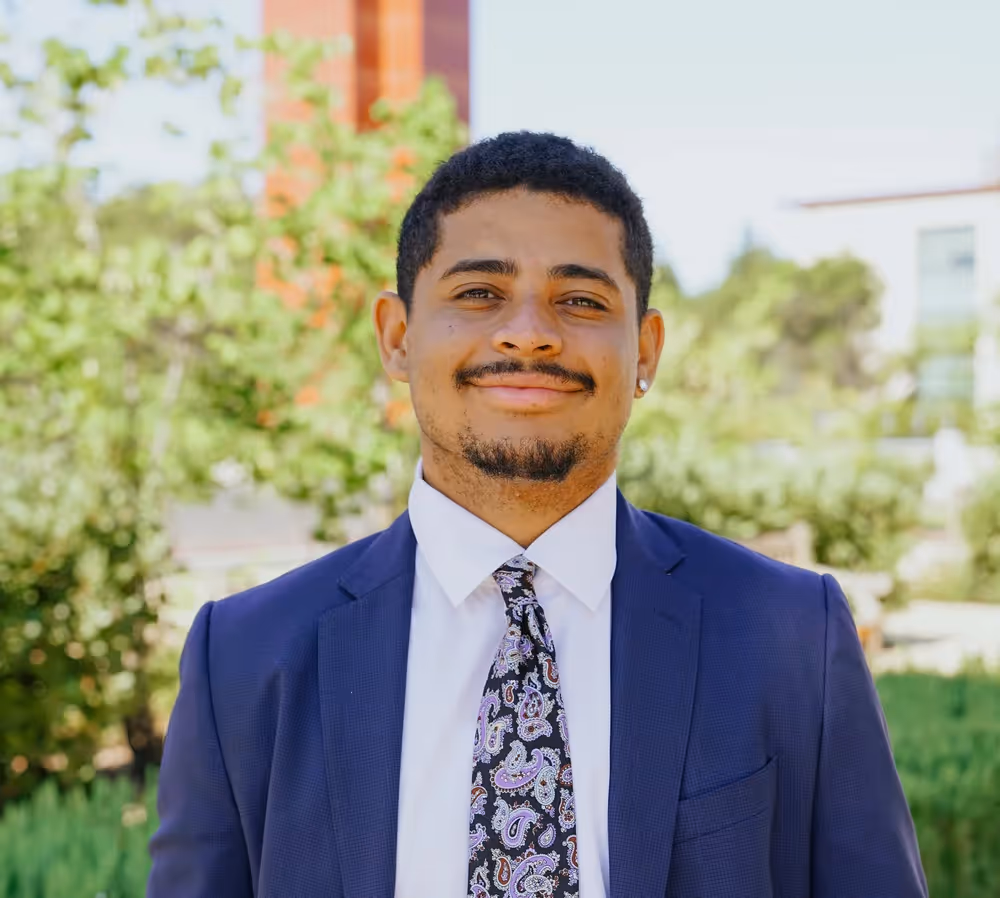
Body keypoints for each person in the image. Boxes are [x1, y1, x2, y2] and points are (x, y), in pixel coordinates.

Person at [148, 132, 928, 898]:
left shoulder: (792, 635)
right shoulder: (244, 658)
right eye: (479, 293)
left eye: (580, 300)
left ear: (645, 351)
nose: (529, 332)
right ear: (396, 337)